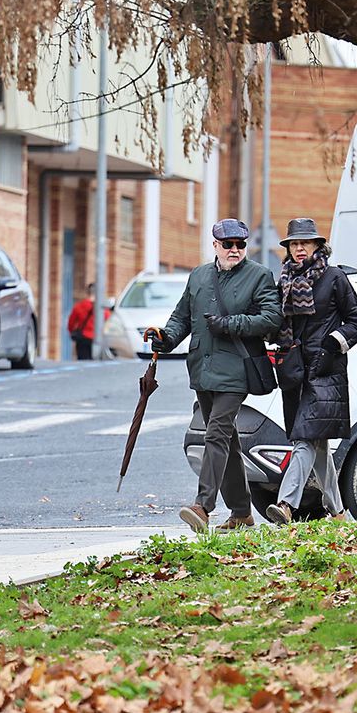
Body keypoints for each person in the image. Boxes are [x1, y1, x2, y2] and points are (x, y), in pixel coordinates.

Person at [145, 219, 282, 532]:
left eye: (240, 245)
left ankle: (203, 506)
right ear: (216, 245)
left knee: (216, 434)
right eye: (228, 244)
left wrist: (231, 323)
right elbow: (182, 317)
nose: (235, 250)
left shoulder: (259, 275)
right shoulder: (199, 275)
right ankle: (242, 512)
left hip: (236, 368)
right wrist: (166, 338)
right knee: (227, 441)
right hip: (202, 369)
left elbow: (272, 318)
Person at [264, 218, 357, 525]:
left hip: (326, 371)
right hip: (294, 372)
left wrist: (332, 345)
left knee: (304, 439)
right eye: (294, 244)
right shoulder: (282, 280)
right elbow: (277, 323)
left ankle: (285, 504)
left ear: (317, 246)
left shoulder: (334, 278)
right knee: (316, 443)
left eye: (304, 244)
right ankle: (338, 514)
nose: (299, 249)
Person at [66, 285, 107, 360]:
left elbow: (71, 323)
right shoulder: (103, 308)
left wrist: (72, 332)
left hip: (83, 339)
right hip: (99, 339)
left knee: (83, 362)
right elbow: (108, 321)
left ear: (88, 293)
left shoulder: (79, 306)